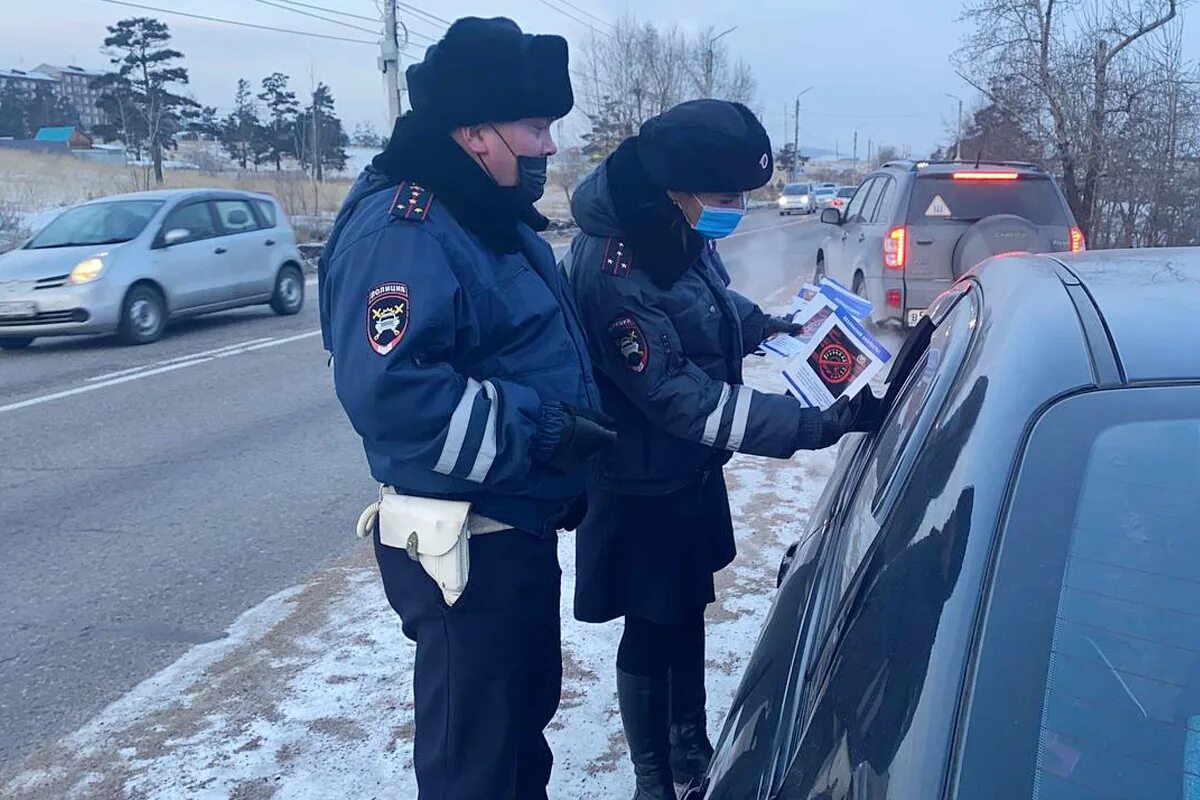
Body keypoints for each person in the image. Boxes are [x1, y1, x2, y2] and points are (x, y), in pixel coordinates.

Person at [318, 17, 615, 800]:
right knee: (473, 768)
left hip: (512, 528)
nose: (550, 145)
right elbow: (393, 394)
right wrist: (544, 431)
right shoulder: (405, 225)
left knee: (518, 734)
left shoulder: (485, 217)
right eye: (536, 127)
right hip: (465, 544)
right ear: (474, 131)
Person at [565, 99, 884, 799]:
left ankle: (690, 746)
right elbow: (675, 392)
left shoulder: (669, 228)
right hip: (639, 478)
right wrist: (811, 425)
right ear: (674, 185)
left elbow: (711, 306)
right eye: (725, 196)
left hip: (686, 469)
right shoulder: (611, 264)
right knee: (652, 625)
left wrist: (775, 327)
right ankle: (654, 779)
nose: (736, 208)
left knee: (686, 608)